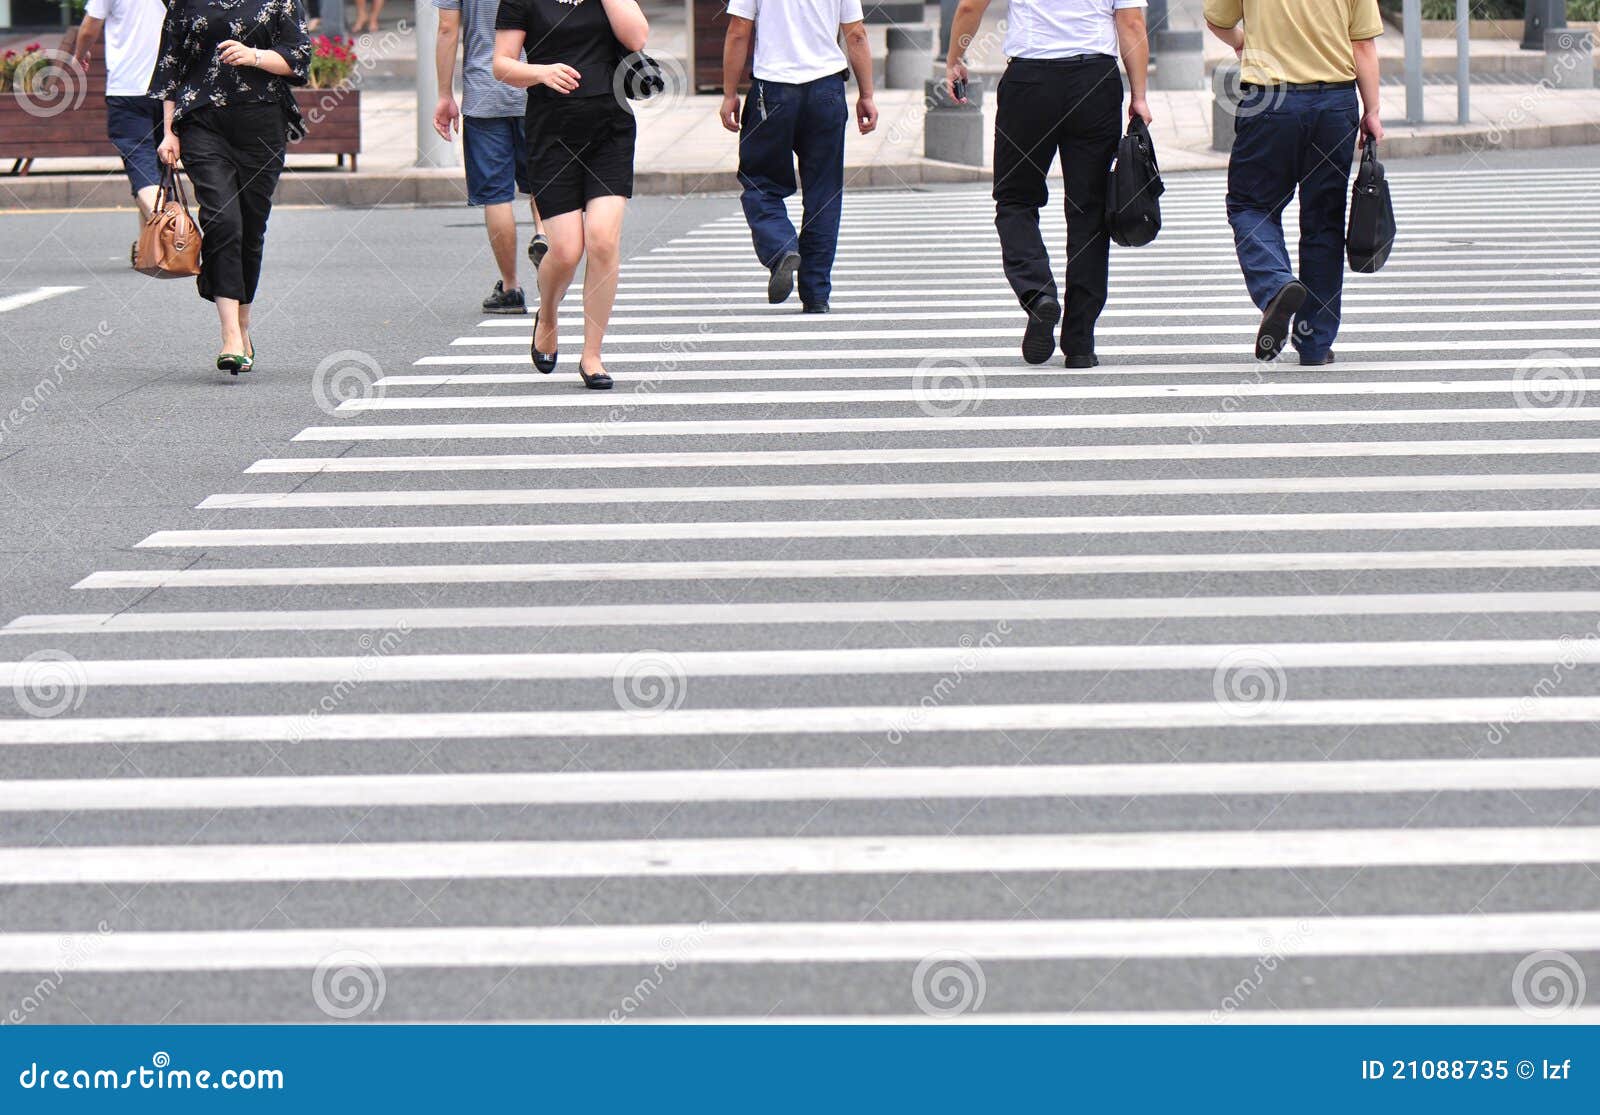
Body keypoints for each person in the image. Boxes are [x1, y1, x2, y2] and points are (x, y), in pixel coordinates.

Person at [947, 0, 1151, 368]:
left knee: (1014, 199)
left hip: (1030, 82)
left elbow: (969, 6)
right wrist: (1139, 96)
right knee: (1088, 210)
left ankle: (1038, 292)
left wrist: (955, 58)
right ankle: (1080, 343)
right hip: (1095, 82)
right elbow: (1132, 24)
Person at [1204, 0, 1384, 364]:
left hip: (1270, 103)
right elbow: (1362, 45)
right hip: (1334, 105)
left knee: (1250, 206)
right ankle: (1315, 343)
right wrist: (1373, 111)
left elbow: (1216, 20)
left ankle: (1276, 286)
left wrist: (1242, 41)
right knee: (1324, 220)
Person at [493, 0, 649, 391]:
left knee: (602, 239)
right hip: (552, 134)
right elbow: (502, 65)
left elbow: (637, 37)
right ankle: (547, 315)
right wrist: (540, 72)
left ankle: (592, 355)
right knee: (565, 250)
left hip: (610, 129)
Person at [149, 0, 312, 375]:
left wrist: (254, 56)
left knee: (251, 228)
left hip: (262, 124)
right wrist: (169, 131)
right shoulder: (185, 3)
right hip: (202, 124)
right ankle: (228, 336)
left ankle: (243, 325)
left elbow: (298, 60)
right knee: (223, 221)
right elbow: (170, 69)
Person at [719, 0, 877, 314]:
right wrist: (867, 95)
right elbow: (856, 34)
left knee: (760, 182)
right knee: (824, 193)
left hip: (773, 91)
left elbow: (739, 31)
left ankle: (781, 248)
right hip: (827, 90)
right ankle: (816, 293)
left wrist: (729, 94)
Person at [433, 0, 549, 315]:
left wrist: (445, 95)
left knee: (497, 195)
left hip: (484, 91)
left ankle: (510, 288)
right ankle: (543, 236)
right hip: (537, 84)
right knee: (543, 179)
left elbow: (447, 29)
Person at [71, 0, 163, 247]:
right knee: (158, 170)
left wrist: (80, 54)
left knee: (142, 169)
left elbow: (90, 27)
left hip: (128, 88)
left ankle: (170, 230)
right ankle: (148, 247)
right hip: (170, 88)